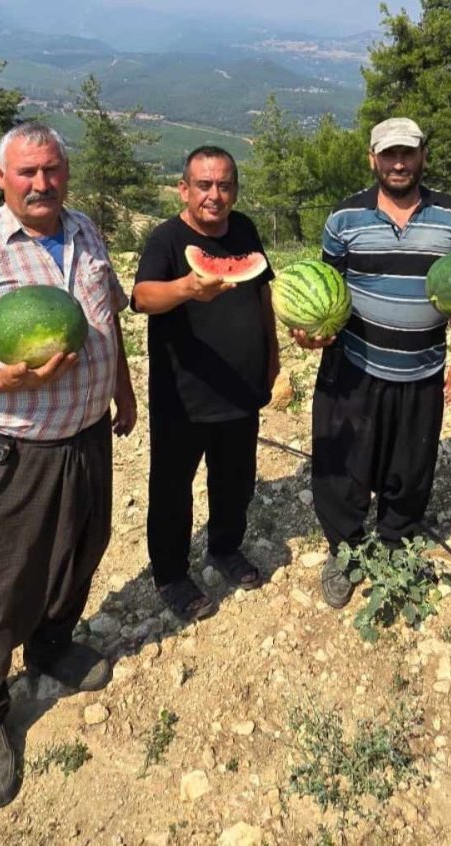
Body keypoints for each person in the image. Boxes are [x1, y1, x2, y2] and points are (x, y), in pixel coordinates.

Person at [0, 122, 137, 807]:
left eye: (53, 169)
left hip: (85, 435)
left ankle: (51, 647)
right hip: (7, 449)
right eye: (28, 172)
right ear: (0, 177)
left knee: (78, 553)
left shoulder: (87, 231)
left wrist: (121, 388)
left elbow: (109, 320)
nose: (43, 183)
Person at [293, 117, 451, 608]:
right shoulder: (343, 219)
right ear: (372, 159)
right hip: (353, 365)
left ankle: (397, 540)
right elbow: (326, 291)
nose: (399, 163)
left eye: (408, 153)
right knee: (341, 466)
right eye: (389, 154)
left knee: (411, 466)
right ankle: (346, 550)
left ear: (422, 156)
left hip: (421, 367)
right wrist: (311, 331)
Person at [132, 146, 279, 621]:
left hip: (241, 388)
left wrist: (272, 357)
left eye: (225, 185)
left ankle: (224, 548)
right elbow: (142, 297)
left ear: (234, 188)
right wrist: (186, 289)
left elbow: (261, 292)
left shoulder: (245, 229)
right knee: (172, 489)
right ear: (185, 189)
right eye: (204, 185)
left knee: (235, 480)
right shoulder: (167, 240)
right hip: (183, 395)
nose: (215, 195)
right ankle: (171, 574)